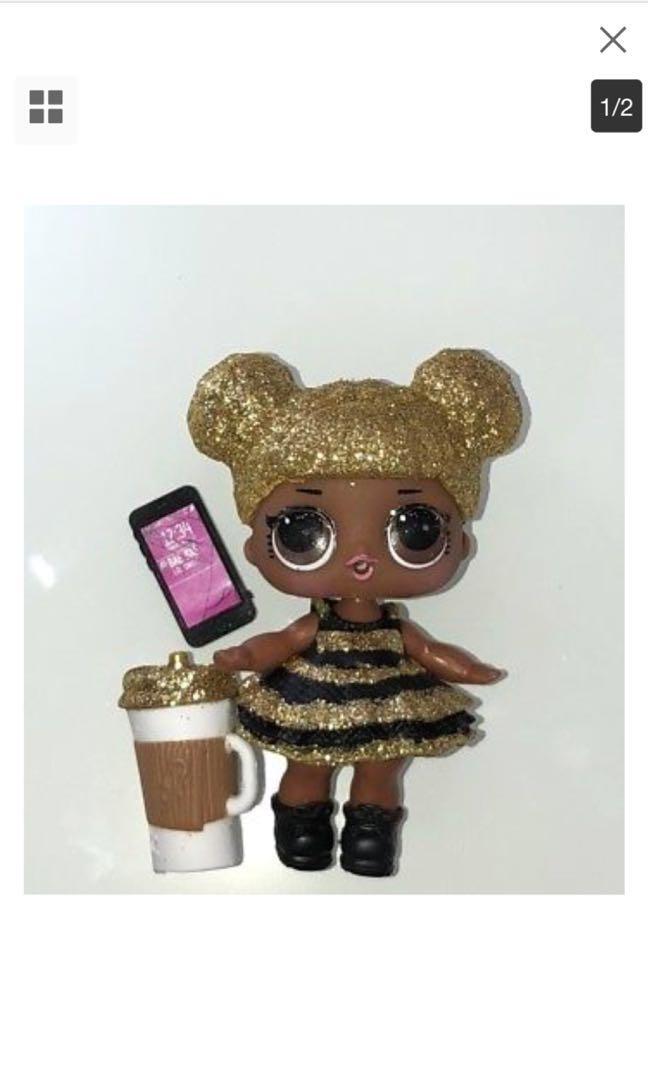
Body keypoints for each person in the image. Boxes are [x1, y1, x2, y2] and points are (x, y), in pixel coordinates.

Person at [187, 348, 523, 876]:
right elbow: (283, 642)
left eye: (416, 530)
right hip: (309, 699)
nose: (360, 557)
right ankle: (301, 827)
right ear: (254, 547)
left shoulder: (395, 630)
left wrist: (469, 669)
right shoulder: (317, 624)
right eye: (302, 532)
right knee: (307, 767)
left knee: (381, 769)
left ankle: (372, 834)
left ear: (460, 542)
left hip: (390, 703)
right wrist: (245, 656)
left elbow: (429, 651)